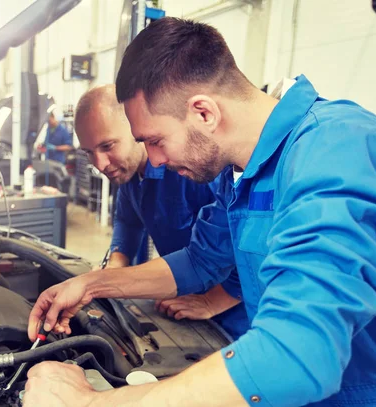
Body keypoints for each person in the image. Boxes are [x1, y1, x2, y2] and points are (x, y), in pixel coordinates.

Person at [23, 18, 376, 407]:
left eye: (155, 140)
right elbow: (198, 262)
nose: (152, 161)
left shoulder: (341, 148)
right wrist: (92, 284)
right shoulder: (241, 175)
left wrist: (89, 403)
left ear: (204, 112)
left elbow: (297, 353)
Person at [74, 84, 249, 339]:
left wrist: (214, 301)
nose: (99, 164)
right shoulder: (130, 176)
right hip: (182, 300)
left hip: (233, 315)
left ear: (135, 127)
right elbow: (128, 221)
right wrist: (116, 264)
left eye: (108, 146)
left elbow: (247, 241)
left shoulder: (190, 168)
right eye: (89, 153)